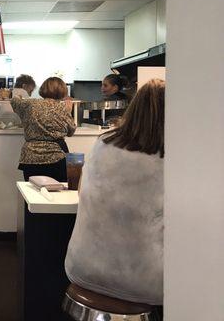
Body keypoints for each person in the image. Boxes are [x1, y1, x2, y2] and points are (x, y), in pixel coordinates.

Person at [65, 79, 165, 306]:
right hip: (145, 282)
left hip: (81, 267)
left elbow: (81, 194)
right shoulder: (172, 159)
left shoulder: (102, 144)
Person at [11, 77, 75, 182]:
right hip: (56, 156)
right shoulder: (63, 108)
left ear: (43, 89)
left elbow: (14, 101)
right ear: (63, 91)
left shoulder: (30, 104)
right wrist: (69, 110)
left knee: (32, 195)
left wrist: (18, 95)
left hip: (31, 157)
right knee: (58, 194)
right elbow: (71, 131)